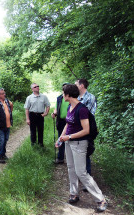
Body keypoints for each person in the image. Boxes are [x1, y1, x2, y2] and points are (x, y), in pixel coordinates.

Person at [59, 84, 107, 212]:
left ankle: (100, 199)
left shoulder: (82, 109)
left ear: (68, 95)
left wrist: (68, 137)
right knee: (71, 168)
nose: (63, 95)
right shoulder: (70, 106)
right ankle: (74, 194)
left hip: (79, 144)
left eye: (64, 93)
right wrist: (61, 138)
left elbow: (86, 130)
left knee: (82, 172)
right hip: (69, 143)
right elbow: (67, 124)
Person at [75, 78, 97, 176]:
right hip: (76, 129)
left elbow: (87, 115)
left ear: (81, 85)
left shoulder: (90, 97)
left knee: (85, 152)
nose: (74, 87)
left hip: (86, 129)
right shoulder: (75, 97)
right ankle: (79, 174)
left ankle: (87, 176)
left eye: (76, 85)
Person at [0, 88, 13, 164]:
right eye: (3, 93)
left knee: (6, 139)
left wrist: (9, 113)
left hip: (7, 124)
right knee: (1, 140)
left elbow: (11, 105)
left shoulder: (6, 101)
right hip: (0, 125)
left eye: (4, 93)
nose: (4, 94)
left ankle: (3, 154)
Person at [51, 83, 70, 164]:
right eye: (63, 88)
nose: (64, 89)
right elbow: (56, 108)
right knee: (61, 138)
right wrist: (54, 113)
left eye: (66, 87)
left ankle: (70, 159)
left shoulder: (72, 97)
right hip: (61, 121)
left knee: (70, 139)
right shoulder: (59, 98)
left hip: (70, 121)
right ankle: (60, 158)